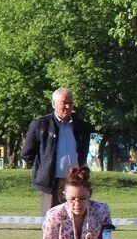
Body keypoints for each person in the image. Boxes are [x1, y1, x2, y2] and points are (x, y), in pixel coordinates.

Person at [20, 88, 94, 216]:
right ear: (53, 104)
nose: (67, 106)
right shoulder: (40, 124)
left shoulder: (82, 126)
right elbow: (26, 154)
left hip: (74, 183)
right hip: (49, 184)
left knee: (74, 221)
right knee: (51, 223)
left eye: (70, 103)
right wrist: (44, 167)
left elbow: (82, 154)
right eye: (64, 102)